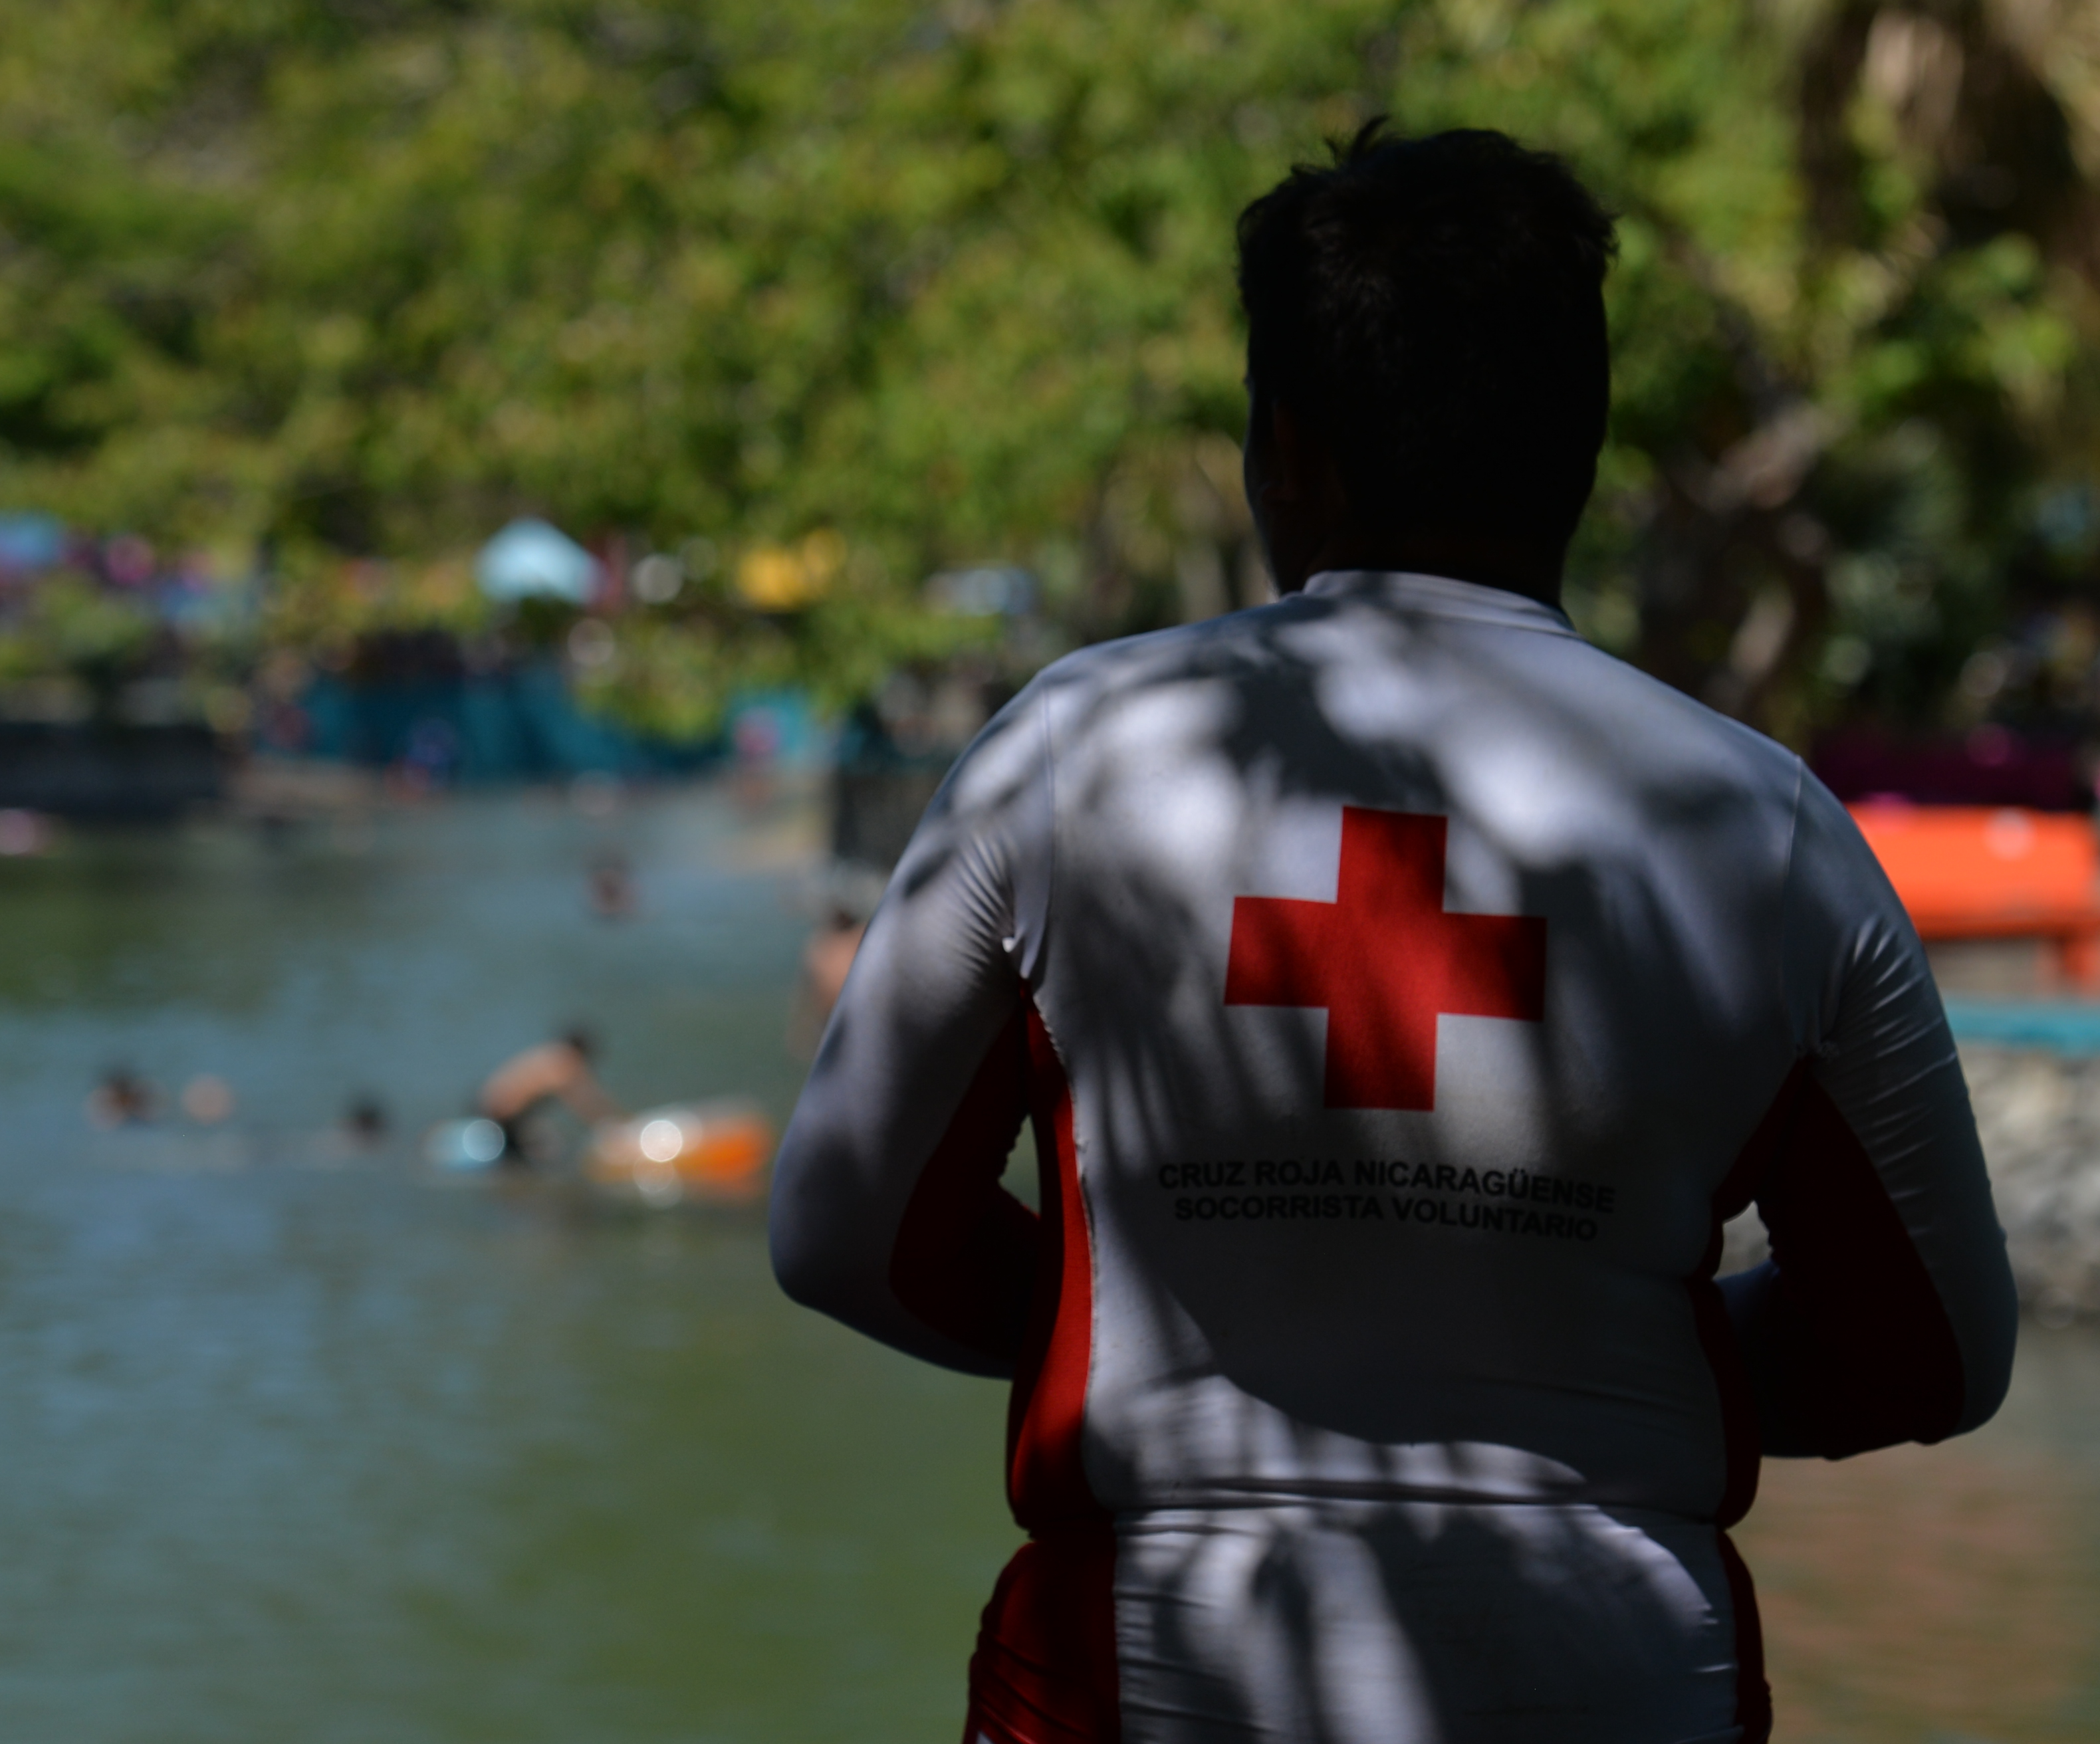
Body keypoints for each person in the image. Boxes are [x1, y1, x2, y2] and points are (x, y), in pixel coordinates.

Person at [770, 123, 2016, 1744]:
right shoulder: (1760, 820)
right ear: (1580, 452)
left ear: (1285, 445)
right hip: (1623, 1666)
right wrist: (1595, 1353)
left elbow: (845, 1228)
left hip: (1154, 1661)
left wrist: (1201, 1317)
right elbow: (1928, 1345)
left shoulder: (1076, 745)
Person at [474, 1026, 618, 1165]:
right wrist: (613, 1127)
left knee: (540, 1151)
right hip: (502, 1116)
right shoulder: (564, 1063)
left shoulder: (552, 1055)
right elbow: (585, 1104)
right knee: (539, 1157)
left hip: (491, 1108)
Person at [786, 902, 870, 1060]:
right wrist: (800, 1030)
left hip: (852, 1012)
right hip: (832, 1014)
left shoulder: (858, 936)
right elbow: (807, 990)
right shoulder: (821, 944)